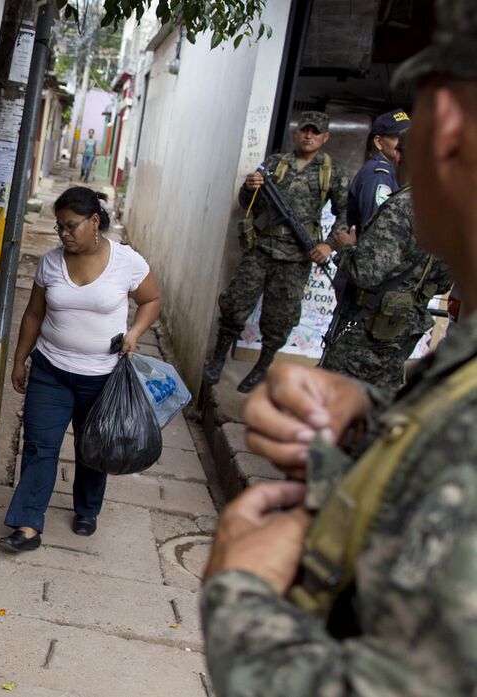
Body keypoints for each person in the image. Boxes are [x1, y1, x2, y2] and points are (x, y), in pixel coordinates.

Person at [201, 1, 477, 692]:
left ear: (444, 132)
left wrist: (242, 595)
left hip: (345, 296)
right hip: (307, 280)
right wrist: (372, 421)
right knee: (238, 314)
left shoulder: (369, 190)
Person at [0, 187, 161, 549]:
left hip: (103, 377)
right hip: (51, 369)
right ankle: (27, 524)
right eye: (60, 227)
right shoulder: (51, 262)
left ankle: (87, 508)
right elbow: (35, 313)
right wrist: (19, 359)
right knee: (40, 445)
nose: (64, 234)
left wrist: (135, 332)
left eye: (71, 226)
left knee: (94, 447)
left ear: (94, 221)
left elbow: (151, 299)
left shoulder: (126, 261)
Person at [202, 112, 350, 393]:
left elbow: (345, 213)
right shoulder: (274, 164)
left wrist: (328, 244)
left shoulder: (332, 173)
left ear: (325, 137)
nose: (309, 136)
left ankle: (262, 366)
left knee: (279, 318)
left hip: (296, 258)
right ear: (296, 132)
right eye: (305, 130)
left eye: (315, 132)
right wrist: (249, 188)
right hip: (262, 248)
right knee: (235, 304)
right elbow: (248, 202)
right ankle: (218, 359)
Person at [321, 174, 450, 391]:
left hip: (368, 328)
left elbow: (364, 272)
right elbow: (444, 281)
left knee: (334, 400)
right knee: (377, 405)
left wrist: (345, 248)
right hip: (407, 325)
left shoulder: (407, 205)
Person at [346, 109, 411, 238]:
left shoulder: (391, 173)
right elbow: (376, 231)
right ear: (379, 142)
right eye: (398, 137)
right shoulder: (379, 176)